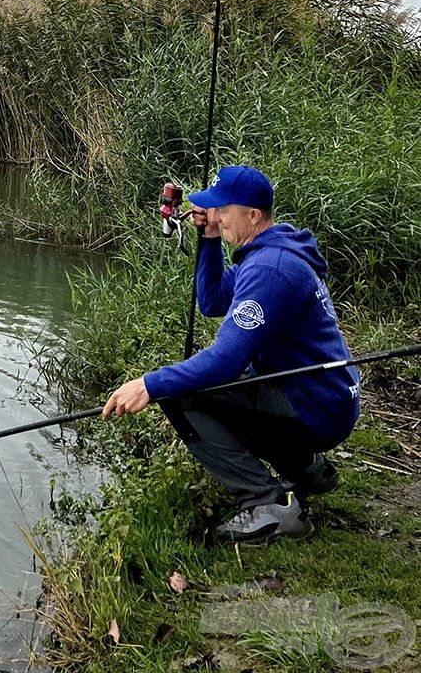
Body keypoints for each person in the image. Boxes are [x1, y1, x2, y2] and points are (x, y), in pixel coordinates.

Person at [102, 165, 360, 545]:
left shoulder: (270, 268)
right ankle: (307, 470)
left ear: (252, 215)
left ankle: (270, 504)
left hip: (316, 407)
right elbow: (212, 302)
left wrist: (149, 384)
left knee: (182, 394)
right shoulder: (268, 250)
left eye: (223, 209)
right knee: (229, 389)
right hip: (321, 396)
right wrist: (208, 239)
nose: (216, 215)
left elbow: (225, 361)